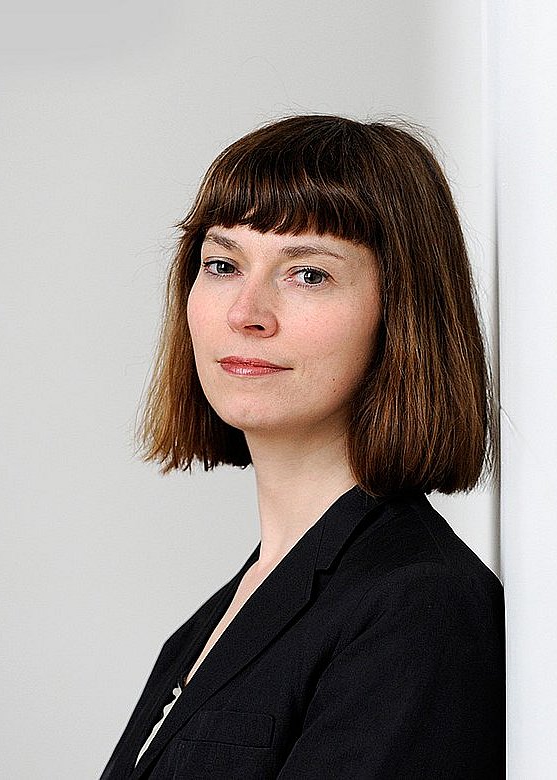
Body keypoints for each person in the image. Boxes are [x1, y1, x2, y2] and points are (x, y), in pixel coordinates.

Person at [100, 115, 505, 779]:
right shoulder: (216, 619)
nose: (245, 313)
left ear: (401, 310)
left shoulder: (420, 608)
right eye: (223, 264)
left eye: (308, 274)